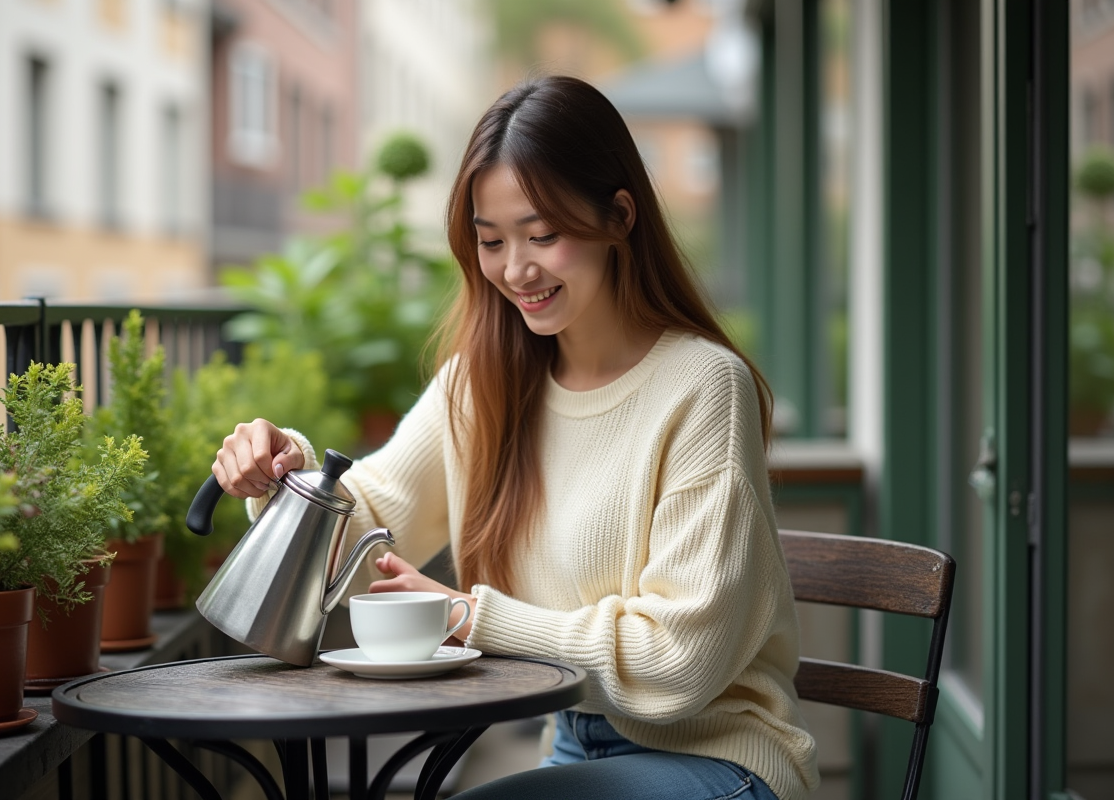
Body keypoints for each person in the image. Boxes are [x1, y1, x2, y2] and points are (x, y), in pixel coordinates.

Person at [211, 75, 819, 800]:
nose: (516, 270)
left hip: (723, 759)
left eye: (544, 235)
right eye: (492, 241)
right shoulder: (484, 382)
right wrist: (290, 475)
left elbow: (679, 659)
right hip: (570, 741)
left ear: (620, 215)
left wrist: (468, 614)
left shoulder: (702, 389)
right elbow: (369, 520)